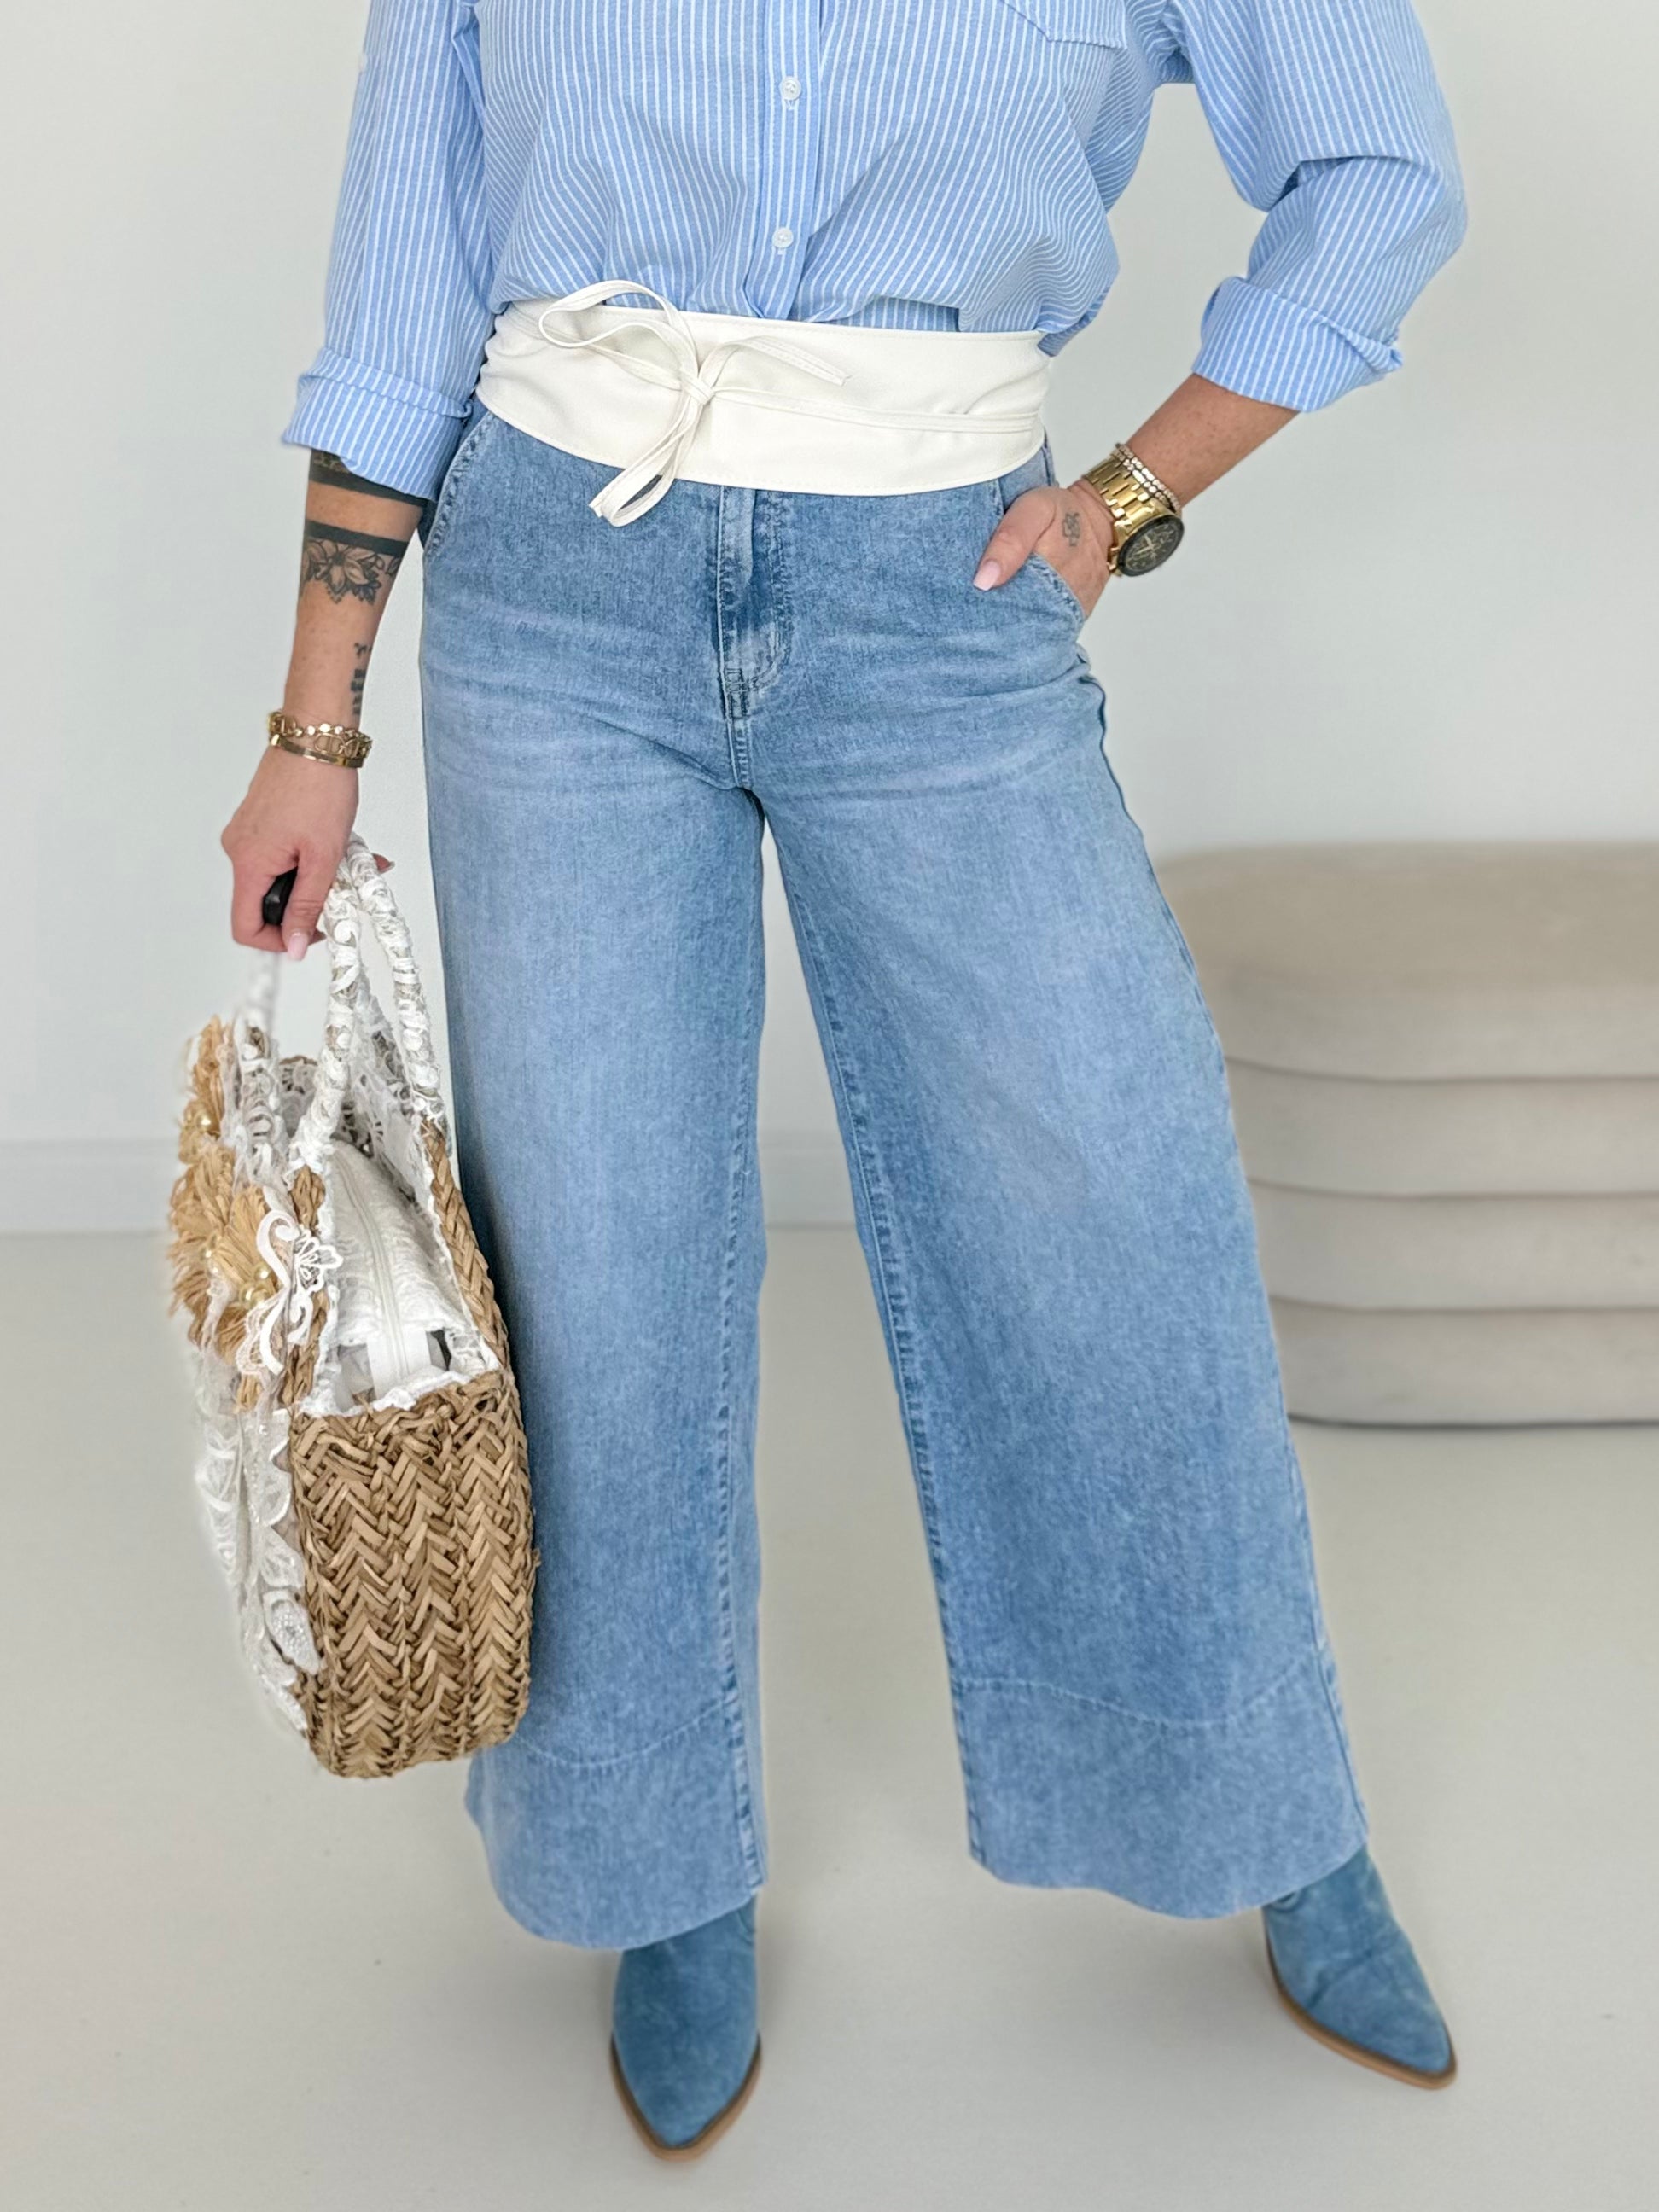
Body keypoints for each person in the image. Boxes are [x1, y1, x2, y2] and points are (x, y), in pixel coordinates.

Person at [222, 0, 1466, 2159]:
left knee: (1114, 1210)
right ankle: (656, 1867)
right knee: (598, 1256)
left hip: (939, 595)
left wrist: (1135, 495)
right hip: (551, 605)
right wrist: (313, 725)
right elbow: (405, 285)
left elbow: (1383, 174)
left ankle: (1260, 1806)